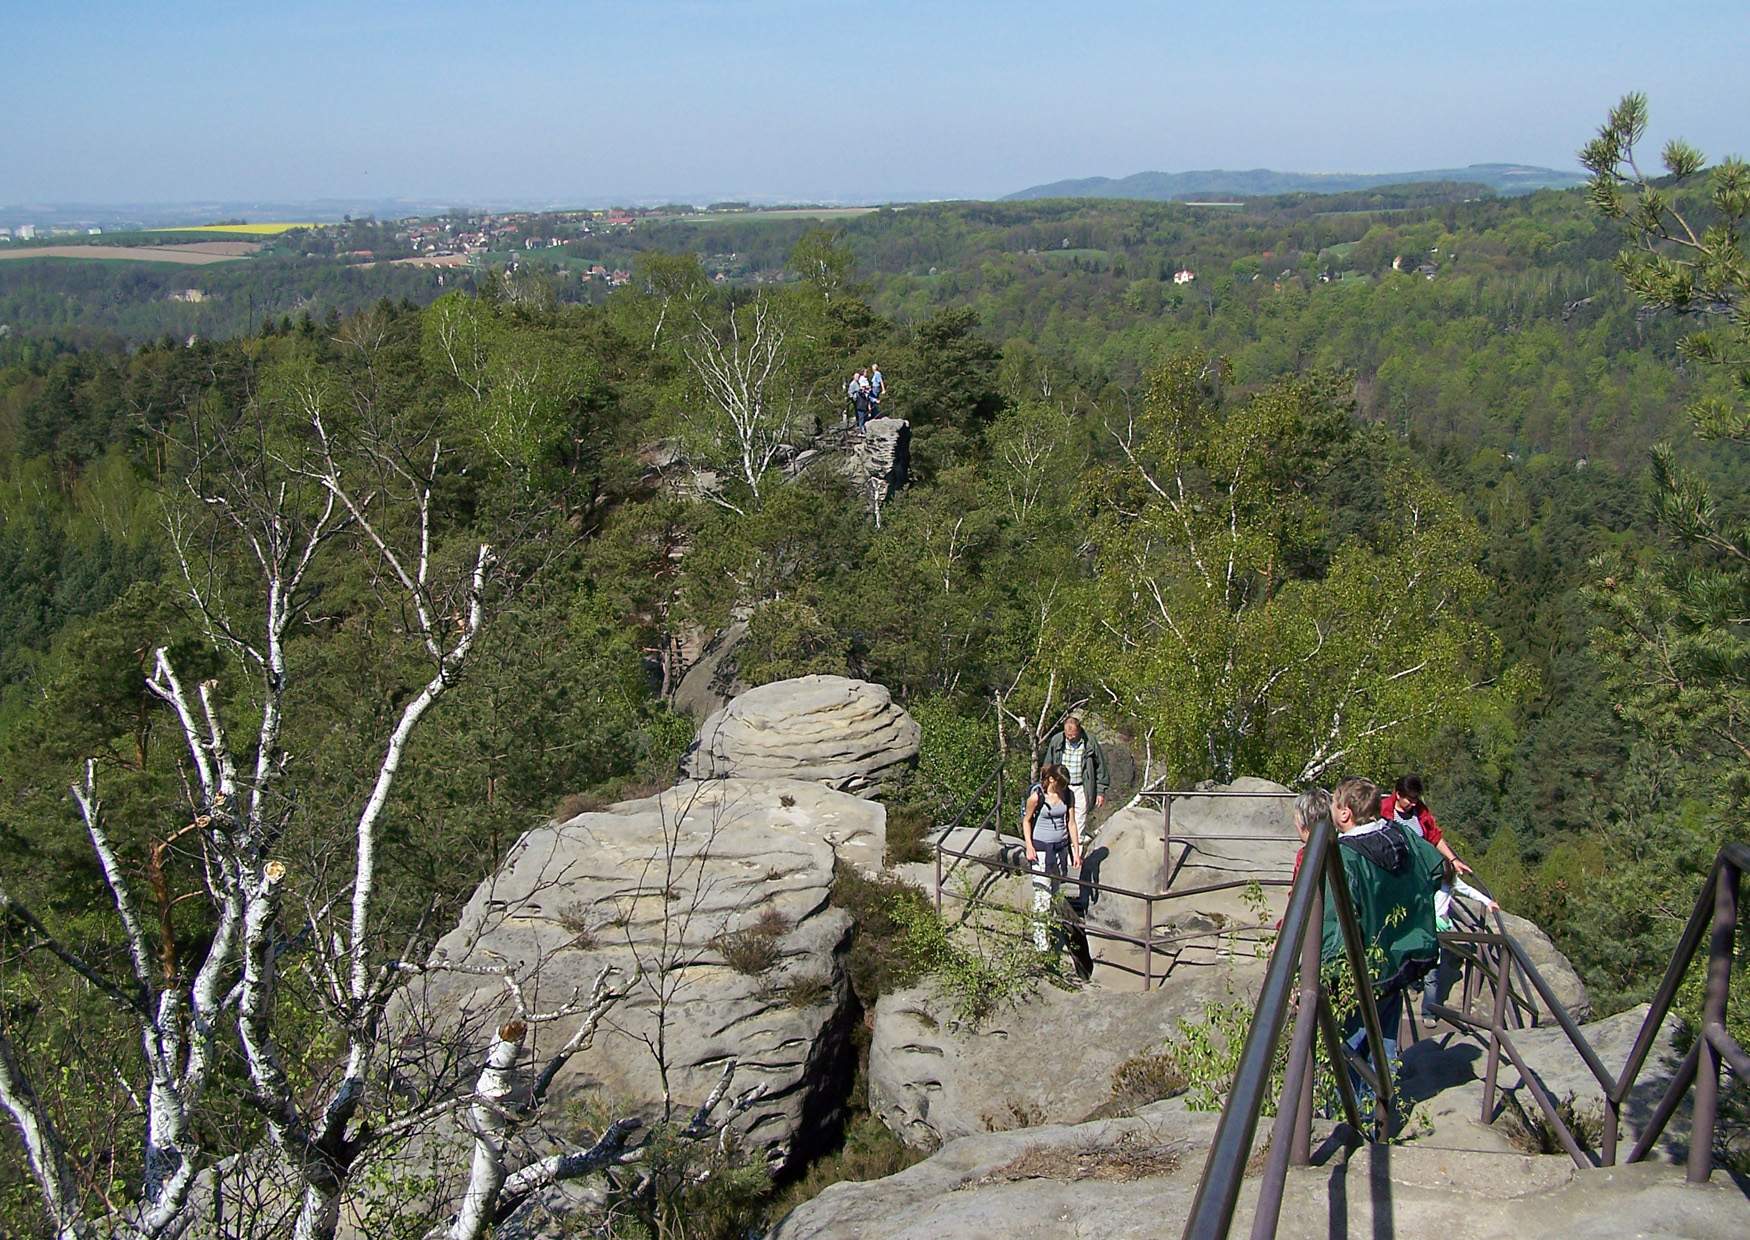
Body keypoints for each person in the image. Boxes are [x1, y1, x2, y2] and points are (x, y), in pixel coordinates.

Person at [1319, 776, 1442, 1115]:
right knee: (1384, 1042)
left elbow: (1334, 925)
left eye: (1333, 806)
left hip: (1359, 970)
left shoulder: (1345, 857)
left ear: (1345, 813)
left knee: (1346, 1049)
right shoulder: (1401, 835)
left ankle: (1345, 1122)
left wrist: (1318, 976)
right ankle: (1380, 1118)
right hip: (1399, 961)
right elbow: (1435, 869)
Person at [1421, 859, 1498, 1026]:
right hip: (1421, 928)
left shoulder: (1450, 880)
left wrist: (1488, 902)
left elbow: (1468, 891)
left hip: (1438, 931)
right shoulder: (1422, 875)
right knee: (1420, 965)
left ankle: (1428, 1013)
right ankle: (1414, 984)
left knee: (1432, 973)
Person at [1021, 763, 1082, 952]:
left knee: (1055, 891)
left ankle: (1055, 928)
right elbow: (1026, 821)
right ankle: (1041, 943)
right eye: (1061, 784)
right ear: (1051, 780)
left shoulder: (1068, 795)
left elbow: (1071, 823)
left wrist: (1076, 851)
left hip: (1060, 849)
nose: (1064, 788)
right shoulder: (1037, 797)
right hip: (1041, 850)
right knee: (1042, 893)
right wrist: (1029, 846)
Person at [1039, 716, 1110, 845]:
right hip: (1060, 786)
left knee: (1079, 820)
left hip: (1082, 787)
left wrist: (1100, 791)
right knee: (1060, 817)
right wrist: (1045, 784)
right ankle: (1062, 849)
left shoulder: (1090, 742)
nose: (1070, 737)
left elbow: (1100, 767)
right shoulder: (1057, 740)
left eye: (1072, 735)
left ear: (1079, 730)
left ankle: (1075, 854)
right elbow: (1048, 764)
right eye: (1067, 734)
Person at [1381, 773, 1471, 874]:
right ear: (1398, 795)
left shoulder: (1421, 811)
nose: (1414, 803)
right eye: (1410, 800)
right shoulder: (1382, 810)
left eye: (1416, 799)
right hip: (1391, 869)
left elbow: (1434, 837)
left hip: (1418, 870)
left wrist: (1453, 860)